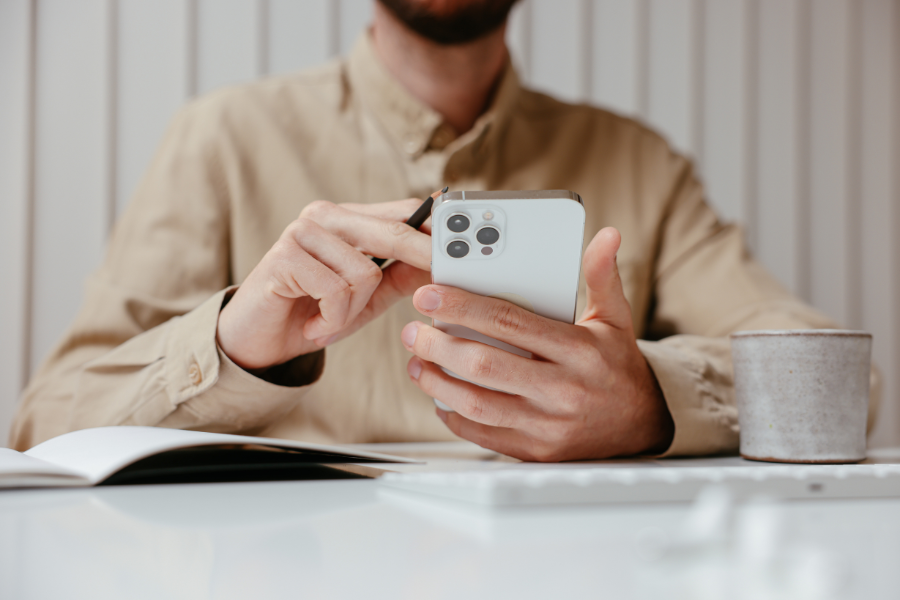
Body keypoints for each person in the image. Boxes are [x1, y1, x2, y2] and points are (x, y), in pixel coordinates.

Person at [9, 0, 875, 459]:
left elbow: (839, 382)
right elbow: (45, 423)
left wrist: (651, 402)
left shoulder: (640, 161)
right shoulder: (221, 137)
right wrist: (232, 345)